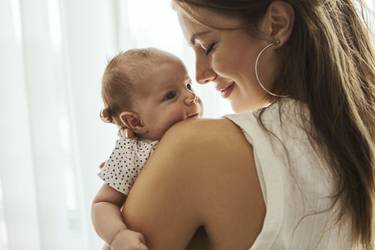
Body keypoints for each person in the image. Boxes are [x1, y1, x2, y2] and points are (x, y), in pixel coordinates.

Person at [113, 0, 375, 249]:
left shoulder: (197, 149)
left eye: (208, 46)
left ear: (276, 24)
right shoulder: (361, 144)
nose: (200, 76)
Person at [91, 48, 202, 250]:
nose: (191, 97)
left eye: (188, 85)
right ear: (135, 121)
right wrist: (118, 236)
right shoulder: (132, 153)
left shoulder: (200, 136)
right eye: (170, 95)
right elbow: (102, 204)